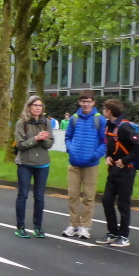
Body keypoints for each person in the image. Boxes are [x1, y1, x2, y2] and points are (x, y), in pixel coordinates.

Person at [95, 99, 139, 248]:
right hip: (114, 170)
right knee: (107, 200)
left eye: (104, 109)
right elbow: (111, 145)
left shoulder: (124, 128)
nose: (103, 111)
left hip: (126, 171)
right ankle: (112, 232)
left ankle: (124, 236)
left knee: (123, 204)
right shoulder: (109, 125)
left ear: (109, 111)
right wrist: (108, 156)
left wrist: (125, 160)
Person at [62, 90, 106, 239]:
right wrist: (71, 149)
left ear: (93, 102)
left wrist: (95, 155)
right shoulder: (74, 119)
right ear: (79, 102)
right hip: (74, 163)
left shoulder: (100, 119)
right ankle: (73, 225)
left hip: (91, 165)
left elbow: (104, 142)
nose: (86, 104)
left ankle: (85, 226)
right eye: (83, 101)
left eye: (88, 101)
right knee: (73, 195)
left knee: (88, 196)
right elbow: (68, 137)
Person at [13, 96, 54, 238]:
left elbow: (49, 144)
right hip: (25, 163)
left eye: (40, 105)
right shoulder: (21, 123)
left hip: (42, 163)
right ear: (29, 106)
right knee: (23, 195)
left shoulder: (46, 122)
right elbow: (20, 145)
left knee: (39, 196)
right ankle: (20, 227)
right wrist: (36, 139)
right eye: (35, 105)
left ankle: (38, 227)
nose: (38, 108)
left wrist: (43, 139)